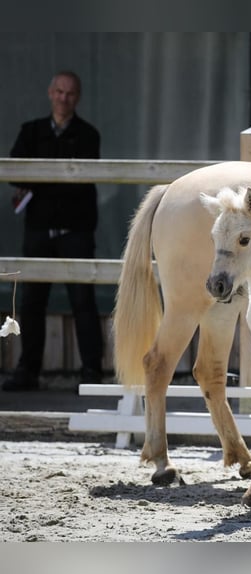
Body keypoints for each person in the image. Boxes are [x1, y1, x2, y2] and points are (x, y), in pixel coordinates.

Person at [3, 71, 104, 392]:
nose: (64, 98)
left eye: (70, 93)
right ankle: (28, 370)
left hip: (75, 231)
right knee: (31, 301)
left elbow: (81, 183)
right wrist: (54, 182)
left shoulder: (88, 135)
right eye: (59, 92)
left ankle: (91, 372)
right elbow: (16, 173)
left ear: (78, 97)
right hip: (38, 230)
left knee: (83, 301)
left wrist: (43, 183)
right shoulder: (30, 131)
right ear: (50, 93)